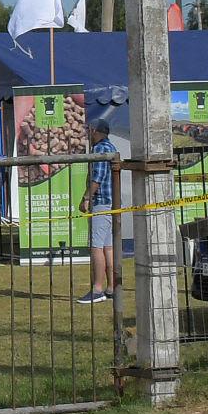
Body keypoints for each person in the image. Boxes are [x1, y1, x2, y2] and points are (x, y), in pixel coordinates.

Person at [83, 112, 127, 306]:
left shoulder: (100, 150)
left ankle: (97, 289)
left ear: (94, 131)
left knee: (96, 247)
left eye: (89, 131)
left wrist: (86, 197)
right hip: (112, 203)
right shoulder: (111, 147)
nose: (87, 134)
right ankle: (111, 288)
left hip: (101, 203)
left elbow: (97, 178)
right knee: (108, 248)